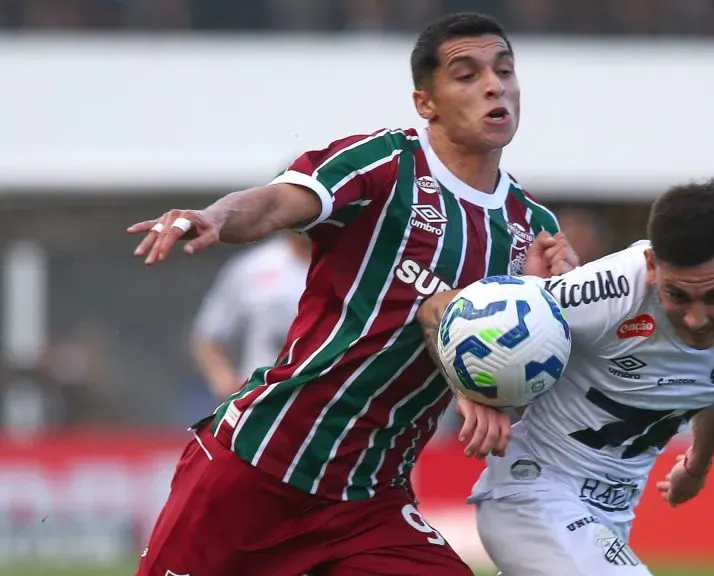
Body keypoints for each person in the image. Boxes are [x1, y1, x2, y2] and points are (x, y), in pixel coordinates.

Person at [127, 12, 577, 576]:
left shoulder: (529, 225)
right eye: (467, 75)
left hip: (369, 503)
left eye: (505, 70)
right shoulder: (385, 164)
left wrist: (551, 296)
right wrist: (214, 216)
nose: (495, 85)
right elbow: (273, 204)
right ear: (426, 102)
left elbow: (511, 369)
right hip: (258, 471)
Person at [417, 179, 714, 576]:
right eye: (677, 295)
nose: (697, 319)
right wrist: (469, 390)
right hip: (532, 494)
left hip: (610, 517)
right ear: (651, 266)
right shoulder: (606, 292)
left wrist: (698, 463)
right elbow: (436, 308)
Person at [192, 232, 311, 400]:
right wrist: (227, 384)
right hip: (262, 401)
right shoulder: (252, 267)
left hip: (331, 404)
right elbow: (208, 336)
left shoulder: (352, 268)